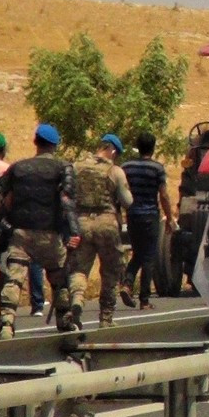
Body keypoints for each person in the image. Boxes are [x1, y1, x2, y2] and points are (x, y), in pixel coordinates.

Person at [0, 124, 79, 339]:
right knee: (59, 279)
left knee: (14, 280)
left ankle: (6, 324)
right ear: (55, 145)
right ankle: (64, 320)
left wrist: (1, 226)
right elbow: (67, 201)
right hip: (49, 234)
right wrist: (74, 232)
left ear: (35, 142)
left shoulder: (17, 167)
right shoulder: (63, 168)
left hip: (20, 233)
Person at [66, 134, 133, 329]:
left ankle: (77, 300)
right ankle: (105, 318)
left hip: (81, 223)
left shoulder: (76, 167)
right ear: (112, 150)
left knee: (79, 268)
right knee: (111, 271)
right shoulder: (115, 171)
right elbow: (127, 201)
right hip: (106, 223)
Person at [0, 133, 46, 318]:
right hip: (10, 219)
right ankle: (37, 302)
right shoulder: (9, 169)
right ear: (4, 150)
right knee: (30, 258)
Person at [120, 133, 177, 311]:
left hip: (132, 214)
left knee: (138, 252)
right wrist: (169, 218)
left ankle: (127, 284)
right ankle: (144, 299)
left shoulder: (126, 167)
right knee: (149, 257)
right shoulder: (157, 168)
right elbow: (164, 195)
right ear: (153, 148)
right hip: (150, 215)